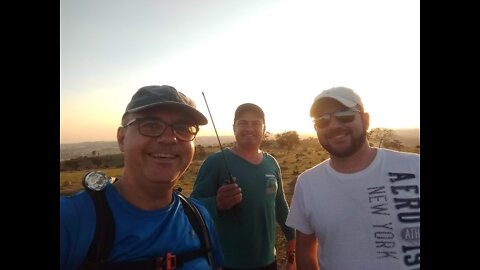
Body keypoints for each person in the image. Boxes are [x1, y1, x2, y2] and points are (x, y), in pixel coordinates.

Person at [60, 85, 224, 270]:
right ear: (122, 139)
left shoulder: (198, 217)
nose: (170, 138)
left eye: (183, 127)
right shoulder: (70, 220)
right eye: (151, 125)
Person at [285, 86, 420, 270]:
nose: (333, 125)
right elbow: (306, 250)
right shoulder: (307, 184)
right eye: (322, 120)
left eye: (344, 115)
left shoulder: (414, 167)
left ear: (365, 120)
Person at [190, 103, 296, 270]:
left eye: (256, 123)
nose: (249, 128)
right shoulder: (215, 162)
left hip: (268, 261)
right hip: (228, 263)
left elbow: (280, 205)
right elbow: (193, 207)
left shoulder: (271, 163)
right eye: (243, 123)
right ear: (234, 128)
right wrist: (218, 203)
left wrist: (292, 238)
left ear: (264, 128)